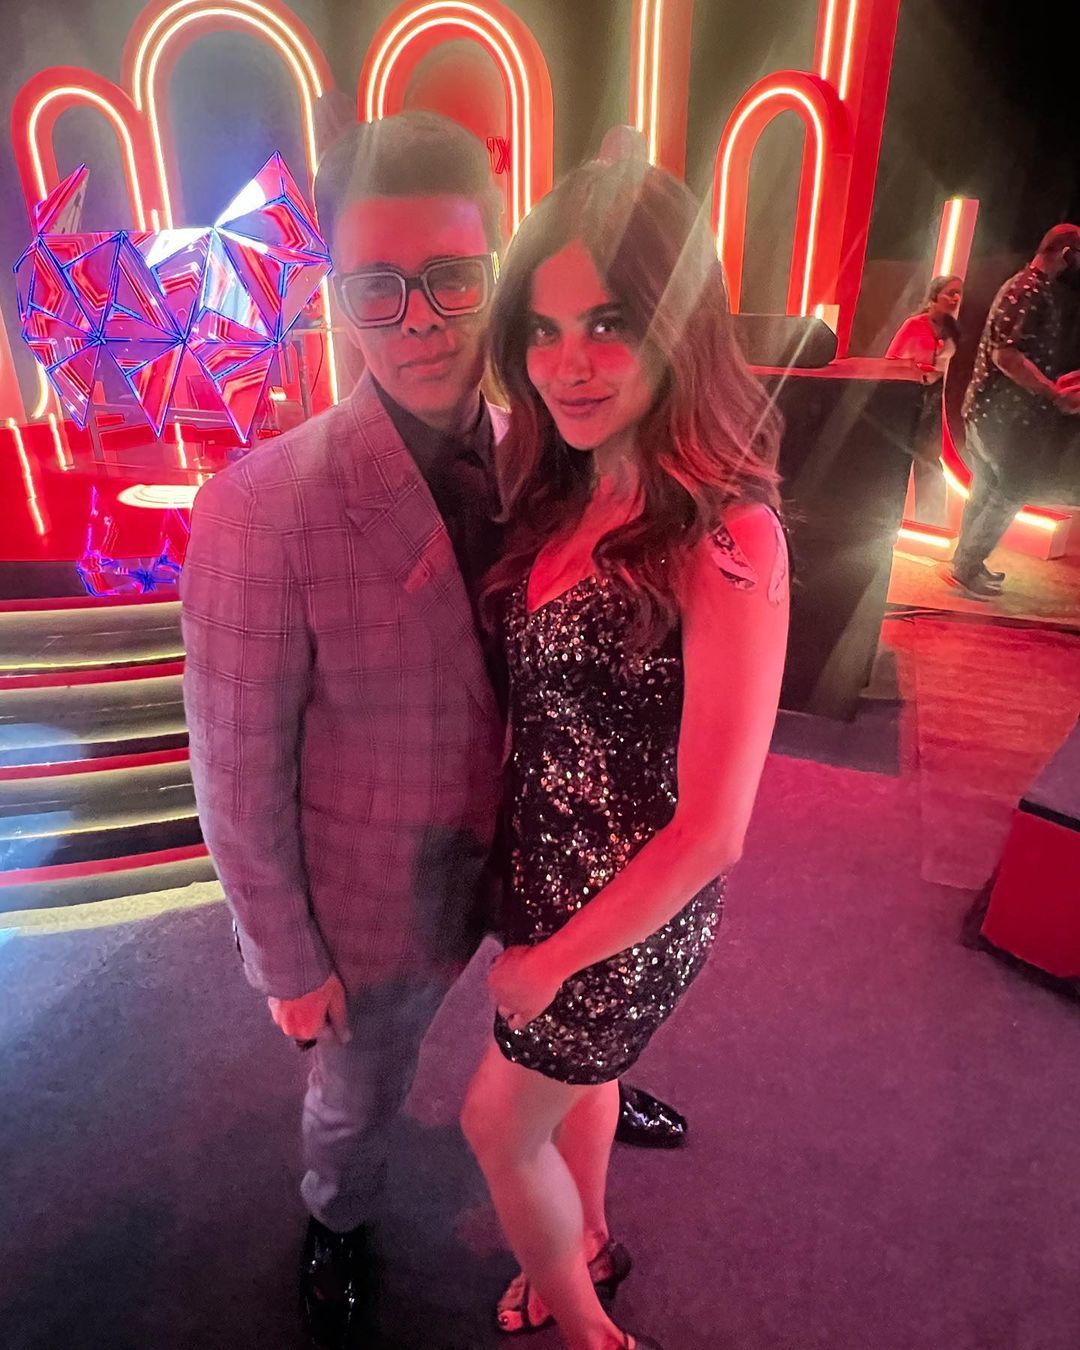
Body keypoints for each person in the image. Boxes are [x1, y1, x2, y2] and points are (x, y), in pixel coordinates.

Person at [181, 111, 683, 1350]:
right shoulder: (260, 508)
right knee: (356, 1094)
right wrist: (284, 959)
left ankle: (584, 1085)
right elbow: (235, 768)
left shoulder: (555, 456)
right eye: (377, 287)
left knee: (567, 1022)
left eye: (453, 278)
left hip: (544, 852)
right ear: (336, 293)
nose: (418, 321)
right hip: (373, 889)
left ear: (497, 272)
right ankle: (336, 1221)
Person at [459, 160, 790, 1350]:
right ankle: (586, 1235)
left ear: (675, 326)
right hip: (550, 881)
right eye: (543, 332)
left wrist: (552, 962)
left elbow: (715, 831)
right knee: (579, 1087)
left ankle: (590, 1327)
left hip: (629, 919)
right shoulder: (567, 489)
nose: (569, 364)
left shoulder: (728, 533)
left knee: (496, 1126)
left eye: (607, 323)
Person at [946, 224, 1080, 598]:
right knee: (1013, 489)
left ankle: (966, 563)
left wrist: (1060, 381)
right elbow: (1005, 355)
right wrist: (1053, 393)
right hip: (1002, 418)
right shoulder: (1027, 290)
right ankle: (967, 566)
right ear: (1066, 253)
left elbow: (1025, 354)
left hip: (995, 414)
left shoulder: (1029, 288)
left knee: (986, 488)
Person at [886, 274, 964, 525]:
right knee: (901, 458)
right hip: (913, 395)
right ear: (934, 296)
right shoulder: (914, 325)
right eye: (950, 293)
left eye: (958, 293)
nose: (955, 298)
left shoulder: (954, 330)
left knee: (929, 459)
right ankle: (888, 517)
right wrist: (919, 369)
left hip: (939, 399)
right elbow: (892, 360)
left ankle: (930, 522)